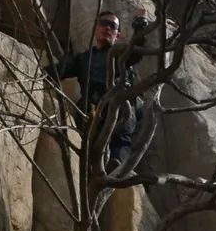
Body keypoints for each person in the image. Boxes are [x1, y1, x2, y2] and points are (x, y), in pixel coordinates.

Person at [48, 9, 149, 170]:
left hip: (118, 112)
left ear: (118, 35)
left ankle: (114, 163)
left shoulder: (121, 55)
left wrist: (140, 25)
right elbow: (58, 70)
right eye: (103, 23)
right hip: (91, 111)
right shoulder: (83, 59)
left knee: (118, 149)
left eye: (112, 26)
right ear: (96, 28)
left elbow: (136, 50)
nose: (107, 28)